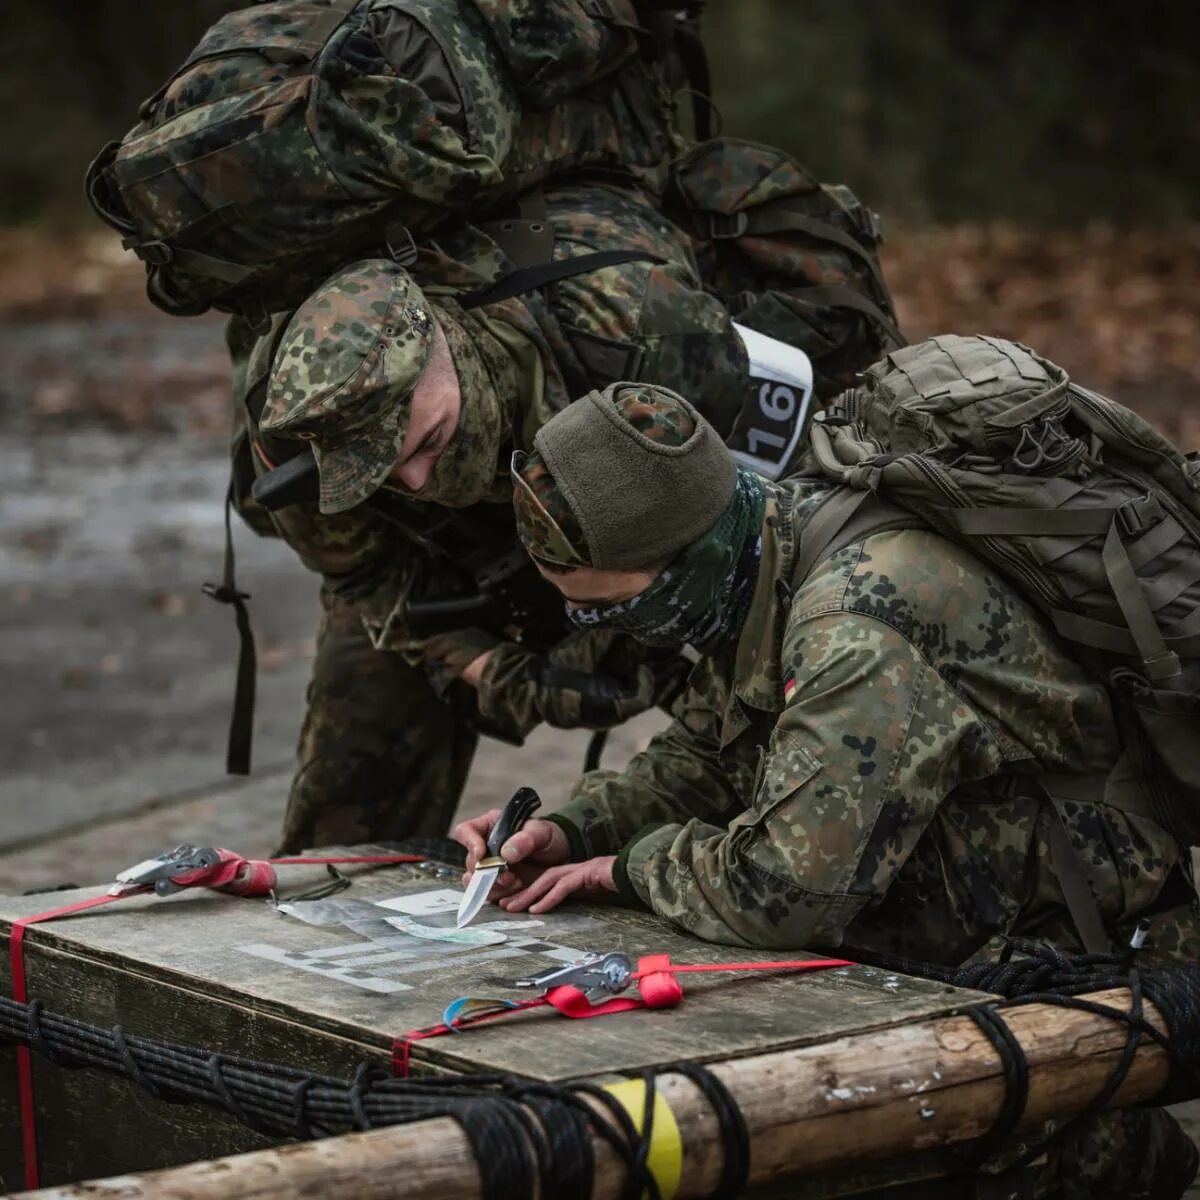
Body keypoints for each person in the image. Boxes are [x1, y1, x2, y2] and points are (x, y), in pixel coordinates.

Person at [455, 376, 1199, 1199]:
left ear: (680, 571)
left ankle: (1115, 1151)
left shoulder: (853, 621)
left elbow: (786, 891)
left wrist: (624, 869)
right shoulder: (772, 535)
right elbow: (709, 749)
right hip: (982, 896)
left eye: (610, 611)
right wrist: (574, 829)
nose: (609, 634)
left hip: (1076, 949)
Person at [246, 181, 753, 852]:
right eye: (386, 473)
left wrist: (637, 626)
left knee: (752, 729)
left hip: (654, 524)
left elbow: (751, 539)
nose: (417, 479)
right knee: (348, 802)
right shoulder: (296, 441)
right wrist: (495, 671)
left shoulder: (645, 332)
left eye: (427, 440)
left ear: (445, 341)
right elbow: (368, 582)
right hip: (457, 567)